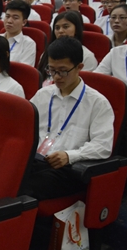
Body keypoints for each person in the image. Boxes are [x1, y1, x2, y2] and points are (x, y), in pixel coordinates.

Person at [27, 37, 114, 200]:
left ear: (79, 67)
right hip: (36, 160)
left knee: (25, 186)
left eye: (63, 71)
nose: (56, 77)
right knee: (5, 173)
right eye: (52, 70)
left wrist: (70, 155)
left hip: (67, 169)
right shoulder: (43, 95)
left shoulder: (97, 103)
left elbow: (103, 146)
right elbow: (24, 126)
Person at [95, 6, 127, 152]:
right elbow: (97, 79)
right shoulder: (116, 53)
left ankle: (124, 159)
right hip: (120, 107)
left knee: (123, 120)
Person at [38, 11, 98, 83]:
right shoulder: (47, 52)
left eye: (65, 27)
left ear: (76, 29)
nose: (60, 31)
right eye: (57, 28)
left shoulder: (87, 56)